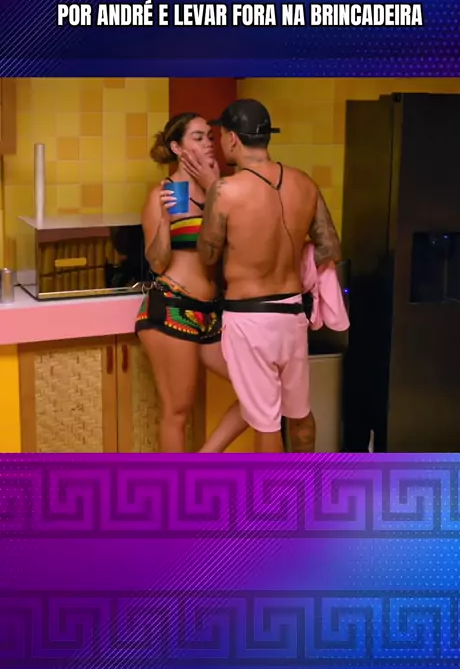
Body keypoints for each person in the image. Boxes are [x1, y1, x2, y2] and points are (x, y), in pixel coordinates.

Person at [196, 98, 342, 454]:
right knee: (300, 414)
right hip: (292, 315)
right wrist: (291, 255)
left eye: (220, 135)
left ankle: (270, 491)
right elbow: (330, 247)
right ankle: (305, 483)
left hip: (250, 319)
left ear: (232, 138)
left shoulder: (225, 191)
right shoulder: (304, 183)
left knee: (266, 422)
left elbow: (207, 254)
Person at [135, 111, 246, 453]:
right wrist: (165, 221)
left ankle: (204, 461)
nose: (208, 143)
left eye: (210, 137)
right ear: (177, 148)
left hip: (210, 312)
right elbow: (156, 262)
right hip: (172, 308)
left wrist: (216, 189)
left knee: (257, 391)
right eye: (197, 137)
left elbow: (244, 243)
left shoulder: (222, 190)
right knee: (178, 411)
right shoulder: (163, 194)